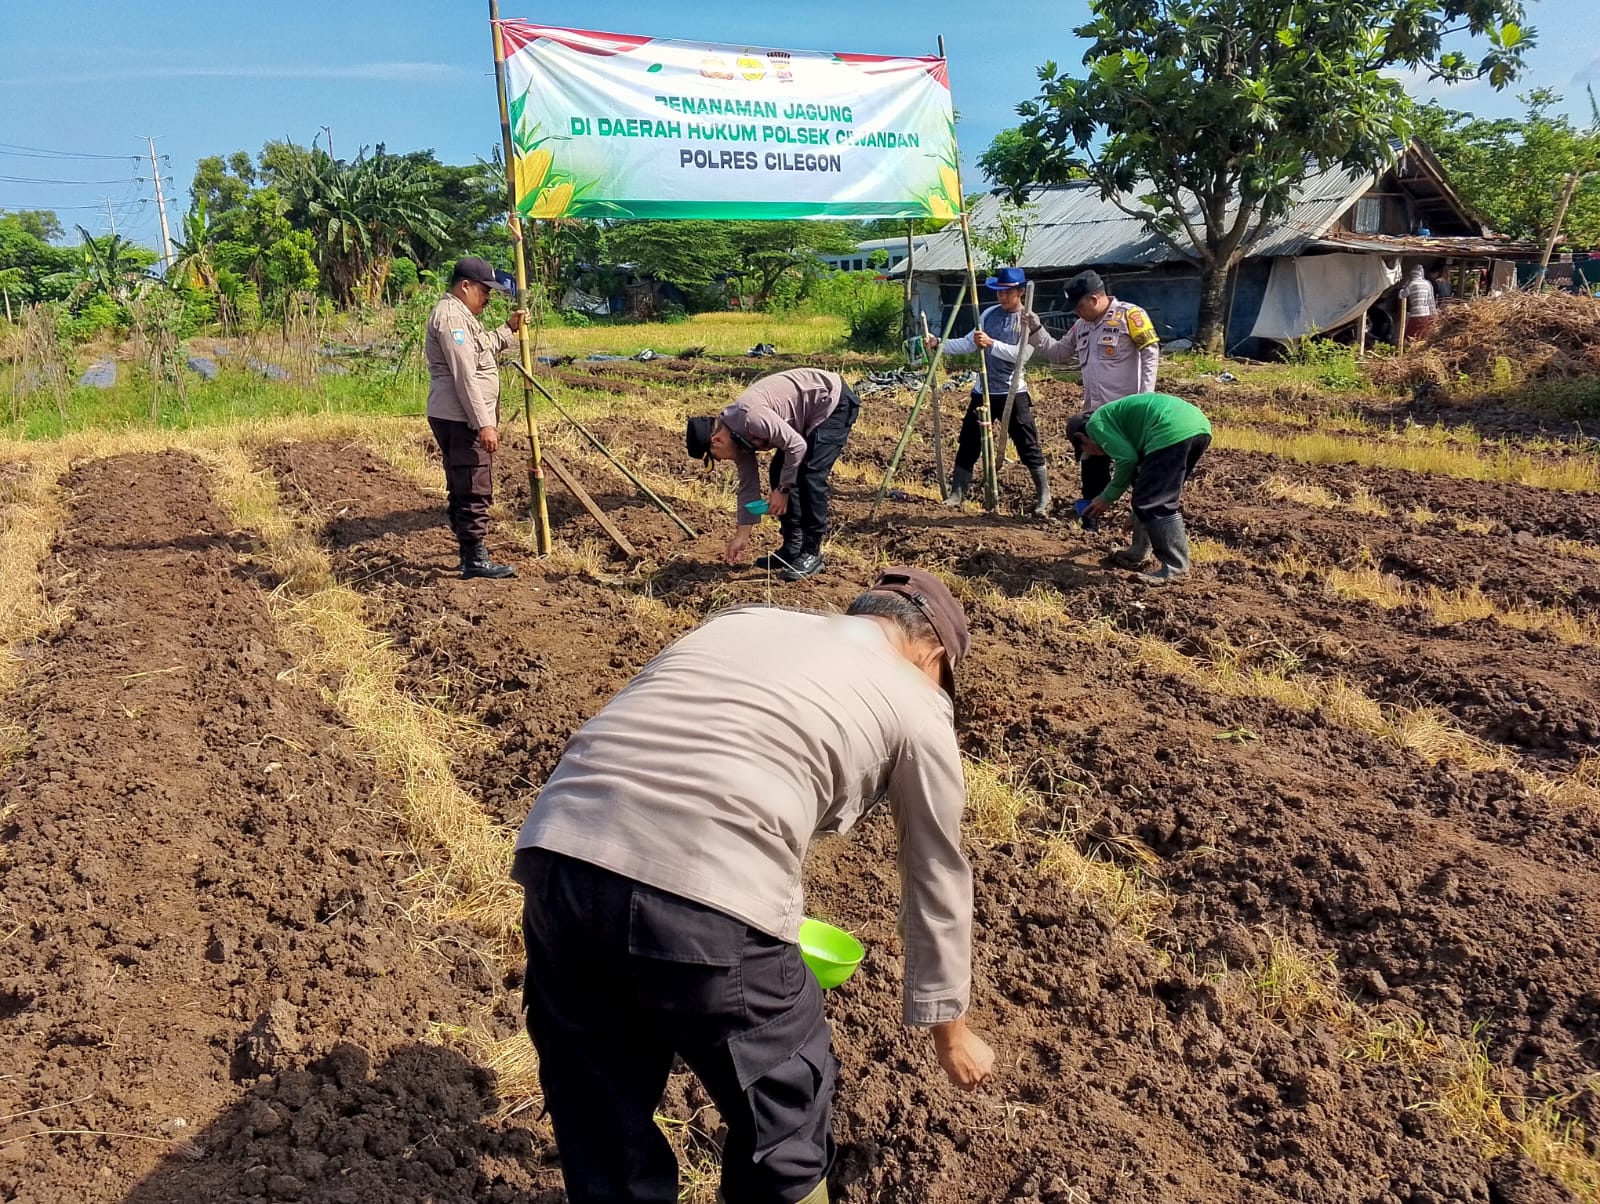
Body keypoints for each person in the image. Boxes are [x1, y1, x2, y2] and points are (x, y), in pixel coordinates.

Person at [511, 567, 995, 1204]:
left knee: (601, 1108)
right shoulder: (917, 698)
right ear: (932, 654)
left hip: (561, 854)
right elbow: (935, 874)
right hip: (707, 898)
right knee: (786, 1117)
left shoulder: (746, 620)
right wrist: (950, 1032)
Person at [685, 367, 860, 581]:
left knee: (809, 475)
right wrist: (741, 536)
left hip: (831, 400)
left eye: (715, 457)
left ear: (717, 441)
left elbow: (797, 446)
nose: (721, 461)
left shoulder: (751, 418)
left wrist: (783, 490)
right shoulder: (736, 438)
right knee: (779, 470)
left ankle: (812, 552)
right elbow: (748, 486)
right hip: (807, 412)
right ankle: (792, 548)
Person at [1022, 271, 1159, 529]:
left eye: (1078, 306)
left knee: (1138, 471)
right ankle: (1090, 522)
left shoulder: (1130, 315)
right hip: (1096, 414)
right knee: (1092, 468)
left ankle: (1145, 526)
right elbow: (1057, 353)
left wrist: (1145, 398)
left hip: (1128, 414)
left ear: (1094, 299)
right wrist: (1036, 329)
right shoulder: (1081, 326)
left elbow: (1150, 353)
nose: (1076, 312)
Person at [425, 256, 524, 580]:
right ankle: (475, 560)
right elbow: (465, 376)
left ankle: (469, 555)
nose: (488, 298)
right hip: (461, 419)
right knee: (473, 485)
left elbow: (481, 348)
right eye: (485, 291)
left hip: (458, 416)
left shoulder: (461, 315)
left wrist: (508, 329)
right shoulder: (452, 318)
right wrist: (484, 424)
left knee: (464, 483)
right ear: (465, 286)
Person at [923, 266, 1051, 516]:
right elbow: (969, 343)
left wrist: (992, 344)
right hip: (983, 391)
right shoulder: (989, 314)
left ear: (1020, 292)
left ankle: (1044, 496)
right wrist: (939, 343)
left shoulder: (1028, 320)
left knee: (1027, 444)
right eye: (999, 292)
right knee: (969, 443)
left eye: (1007, 292)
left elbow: (1022, 355)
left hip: (1012, 391)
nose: (1002, 297)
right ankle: (957, 493)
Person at [1073, 392, 1212, 586]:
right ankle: (1138, 552)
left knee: (1155, 503)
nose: (1094, 455)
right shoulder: (1119, 425)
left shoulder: (1095, 425)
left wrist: (1107, 497)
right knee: (1152, 498)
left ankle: (1175, 567)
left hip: (1171, 429)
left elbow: (1127, 460)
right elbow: (1144, 481)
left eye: (1087, 451)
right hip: (1198, 426)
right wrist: (1138, 512)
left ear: (1081, 437)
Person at [1400, 264, 1438, 342]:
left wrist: (1404, 286)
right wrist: (1434, 314)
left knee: (1410, 336)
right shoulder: (1428, 283)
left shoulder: (1411, 284)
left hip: (1415, 314)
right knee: (1423, 337)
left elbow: (1401, 295)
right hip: (1426, 314)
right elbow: (1431, 301)